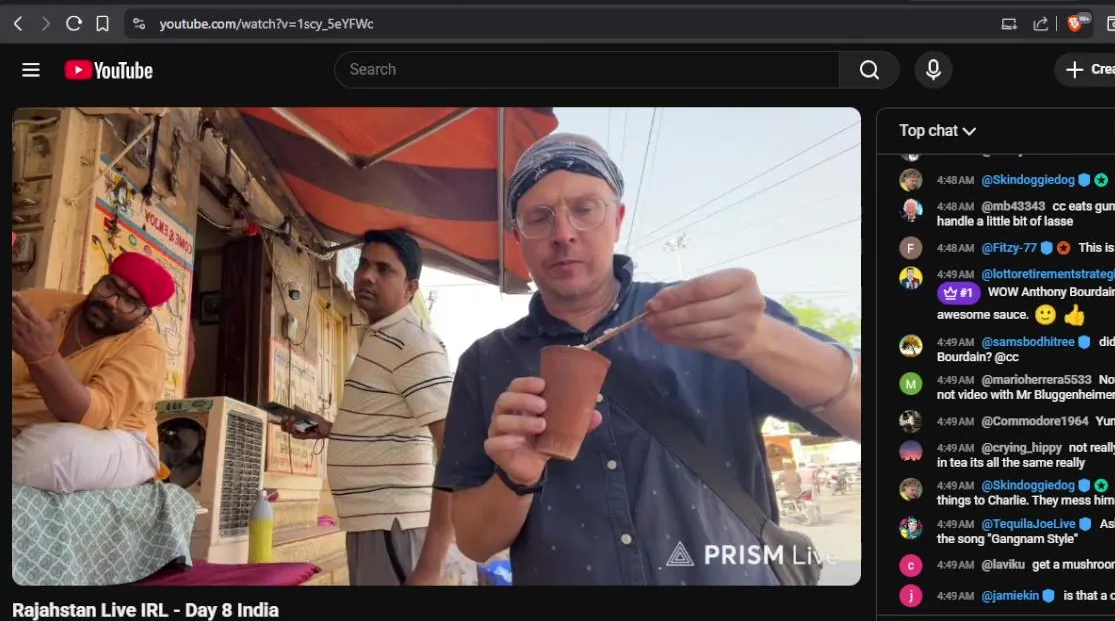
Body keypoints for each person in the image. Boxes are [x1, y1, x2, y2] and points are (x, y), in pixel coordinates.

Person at [434, 133, 862, 585]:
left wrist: (764, 340)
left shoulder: (709, 318)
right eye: (540, 217)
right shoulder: (485, 363)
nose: (564, 234)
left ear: (618, 219)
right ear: (517, 236)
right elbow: (474, 542)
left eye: (585, 209)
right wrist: (514, 477)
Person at [281, 230, 455, 586]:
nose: (367, 276)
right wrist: (332, 430)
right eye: (363, 264)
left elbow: (455, 448)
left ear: (411, 288)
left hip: (393, 526)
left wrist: (432, 563)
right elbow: (391, 427)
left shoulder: (413, 342)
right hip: (372, 524)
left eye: (384, 269)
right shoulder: (380, 338)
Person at [12, 251, 175, 494]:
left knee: (54, 451)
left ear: (144, 315)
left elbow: (93, 416)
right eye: (109, 286)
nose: (111, 301)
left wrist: (44, 358)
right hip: (25, 426)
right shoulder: (43, 303)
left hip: (116, 438)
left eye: (129, 301)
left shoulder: (147, 347)